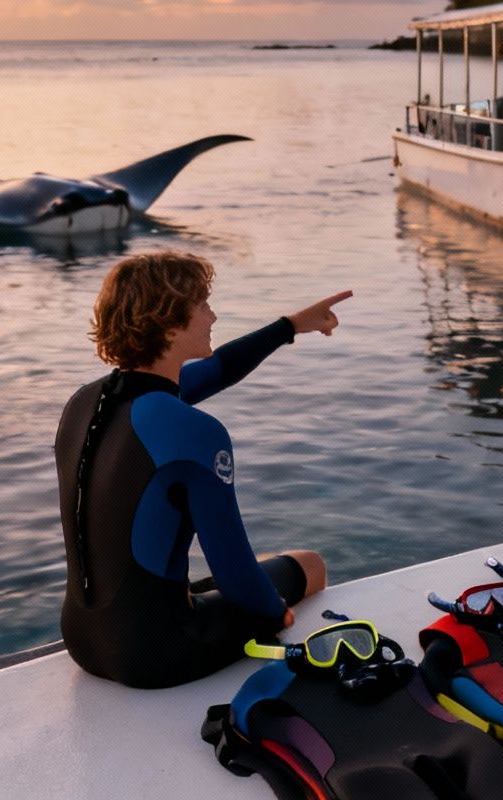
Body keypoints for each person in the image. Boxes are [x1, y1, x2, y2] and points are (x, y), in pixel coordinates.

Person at [55, 250, 353, 688]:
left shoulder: (84, 402)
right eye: (202, 305)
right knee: (308, 565)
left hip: (81, 638)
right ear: (171, 323)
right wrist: (275, 614)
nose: (213, 315)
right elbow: (234, 572)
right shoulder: (197, 433)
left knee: (241, 568)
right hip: (157, 652)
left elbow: (217, 370)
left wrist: (290, 326)